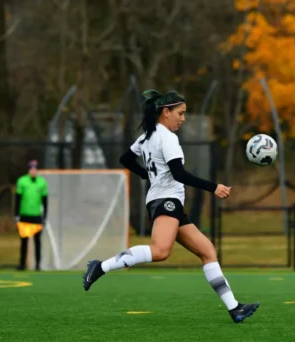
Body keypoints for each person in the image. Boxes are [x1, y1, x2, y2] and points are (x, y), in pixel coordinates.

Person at [83, 90, 259, 323]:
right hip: (166, 200)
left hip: (164, 200)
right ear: (166, 112)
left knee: (207, 251)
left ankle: (234, 308)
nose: (183, 118)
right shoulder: (166, 138)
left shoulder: (147, 136)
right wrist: (213, 187)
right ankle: (100, 267)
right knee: (161, 251)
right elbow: (178, 173)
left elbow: (125, 159)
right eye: (180, 113)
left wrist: (146, 175)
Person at [14, 160, 48, 271]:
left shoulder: (42, 182)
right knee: (24, 241)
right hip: (24, 215)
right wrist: (16, 214)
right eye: (31, 169)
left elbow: (45, 200)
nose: (33, 171)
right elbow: (17, 199)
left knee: (37, 241)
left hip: (36, 216)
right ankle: (22, 264)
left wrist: (45, 216)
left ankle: (38, 265)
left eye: (35, 169)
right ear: (28, 170)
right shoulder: (22, 181)